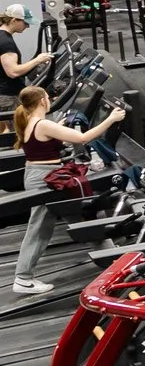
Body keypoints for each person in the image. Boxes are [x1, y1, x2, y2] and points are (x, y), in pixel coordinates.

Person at [12, 86, 123, 297]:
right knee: (41, 226)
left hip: (42, 175)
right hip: (46, 179)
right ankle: (23, 278)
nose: (49, 99)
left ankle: (114, 259)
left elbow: (47, 140)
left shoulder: (33, 122)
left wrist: (59, 127)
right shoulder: (43, 124)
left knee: (81, 216)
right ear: (42, 102)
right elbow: (82, 139)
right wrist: (111, 118)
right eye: (47, 97)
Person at [0, 4, 51, 102]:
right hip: (7, 98)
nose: (27, 26)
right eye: (25, 23)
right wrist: (38, 60)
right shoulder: (6, 42)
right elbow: (13, 72)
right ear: (14, 20)